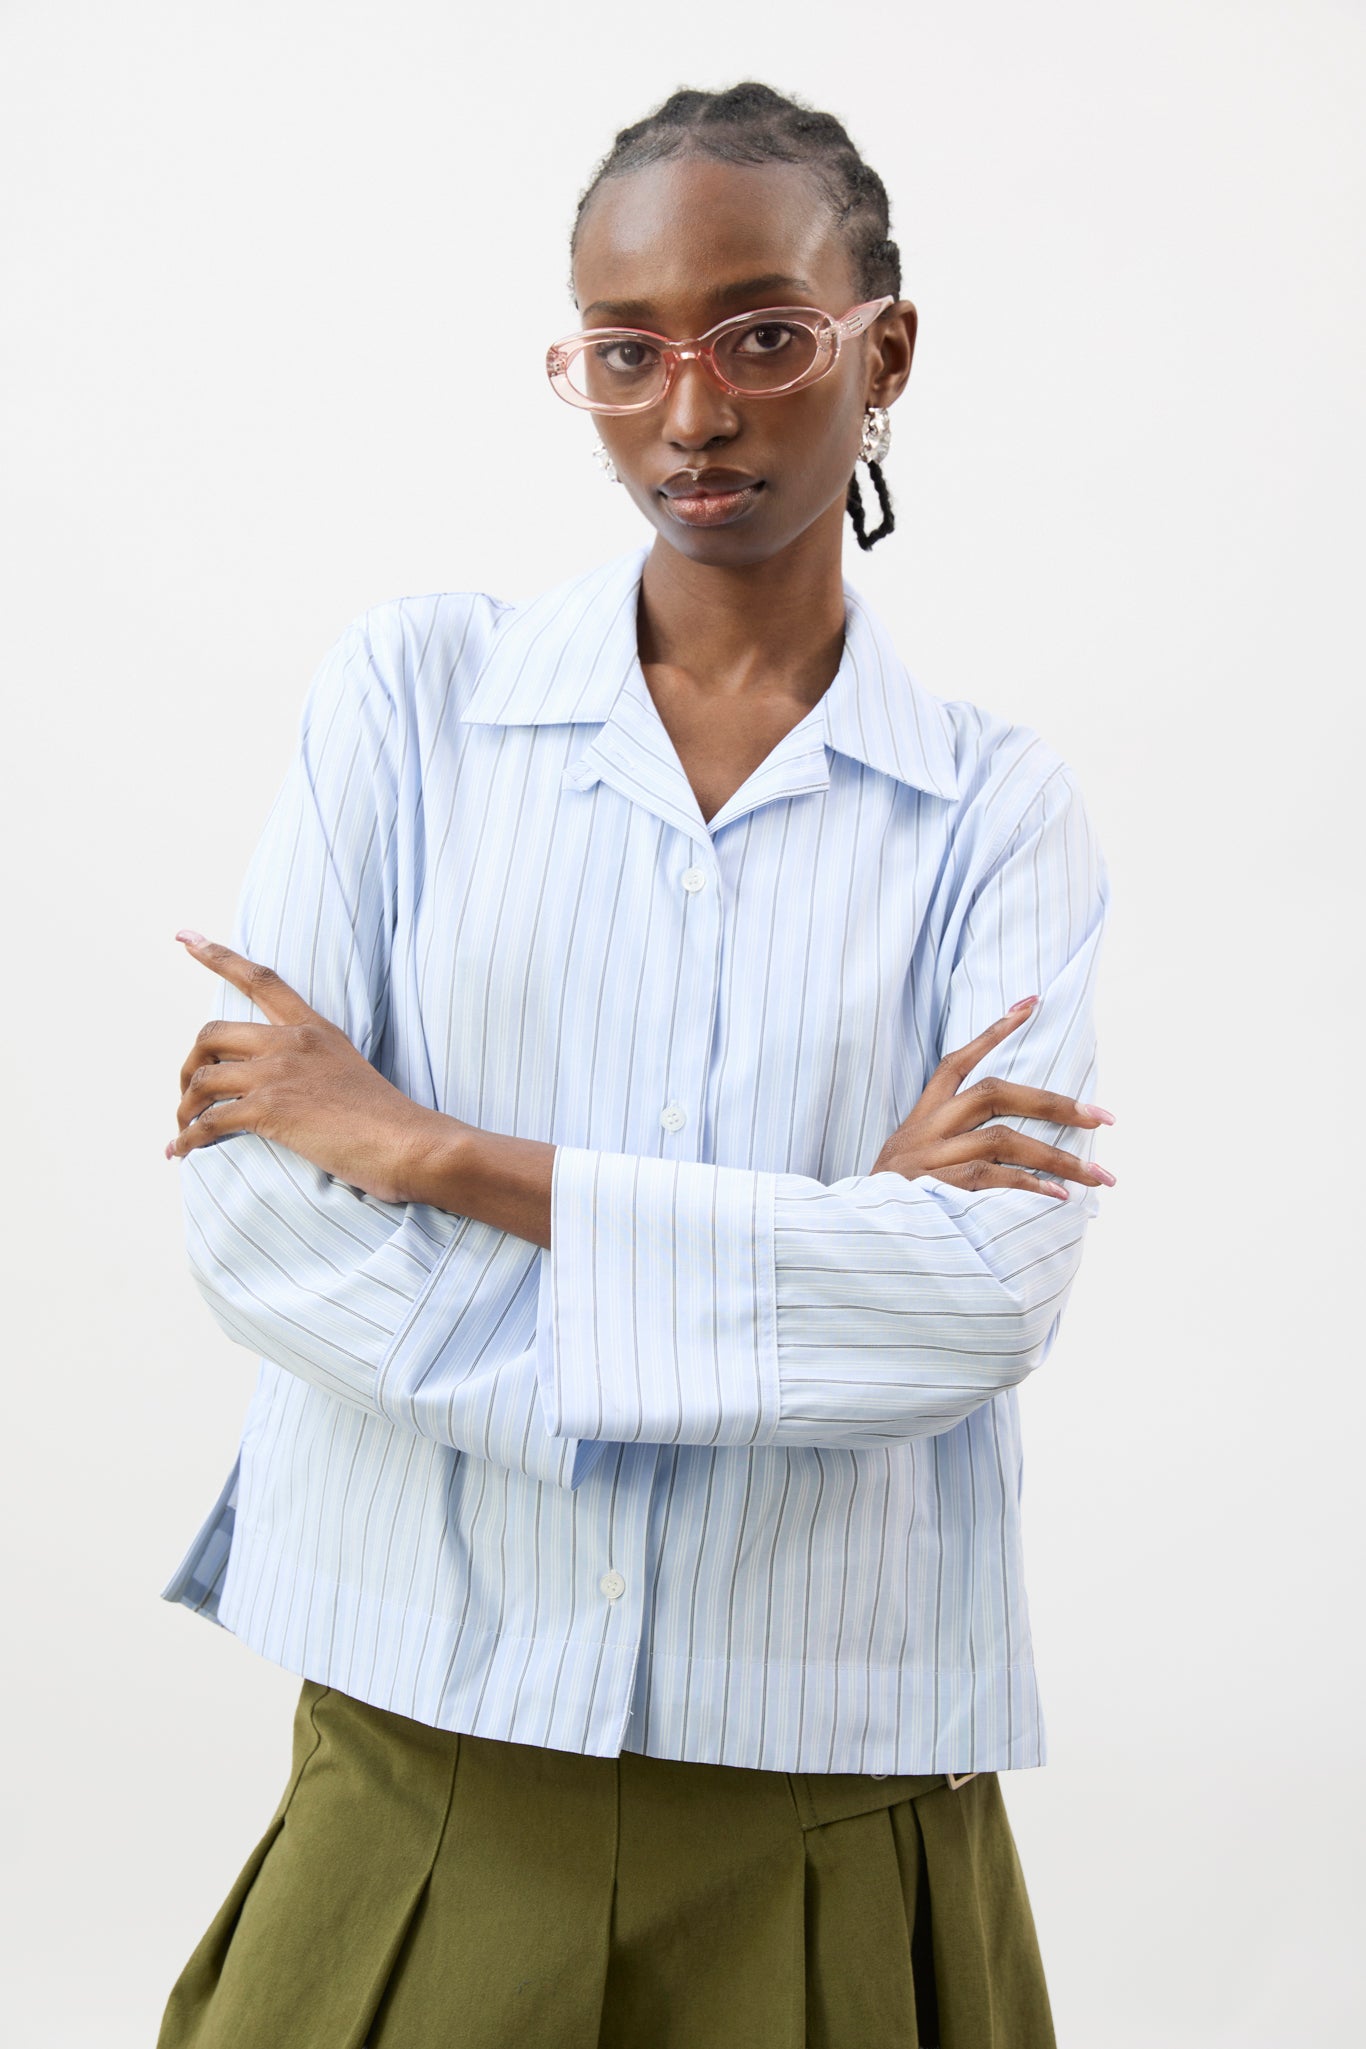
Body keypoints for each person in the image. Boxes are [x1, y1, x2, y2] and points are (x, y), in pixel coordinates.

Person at [154, 80, 1114, 2049]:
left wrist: (436, 1153)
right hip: (421, 1759)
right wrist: (805, 1254)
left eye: (763, 334)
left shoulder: (996, 817)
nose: (692, 411)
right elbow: (257, 1208)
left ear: (882, 352)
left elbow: (975, 1298)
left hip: (826, 1796)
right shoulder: (408, 702)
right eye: (626, 352)